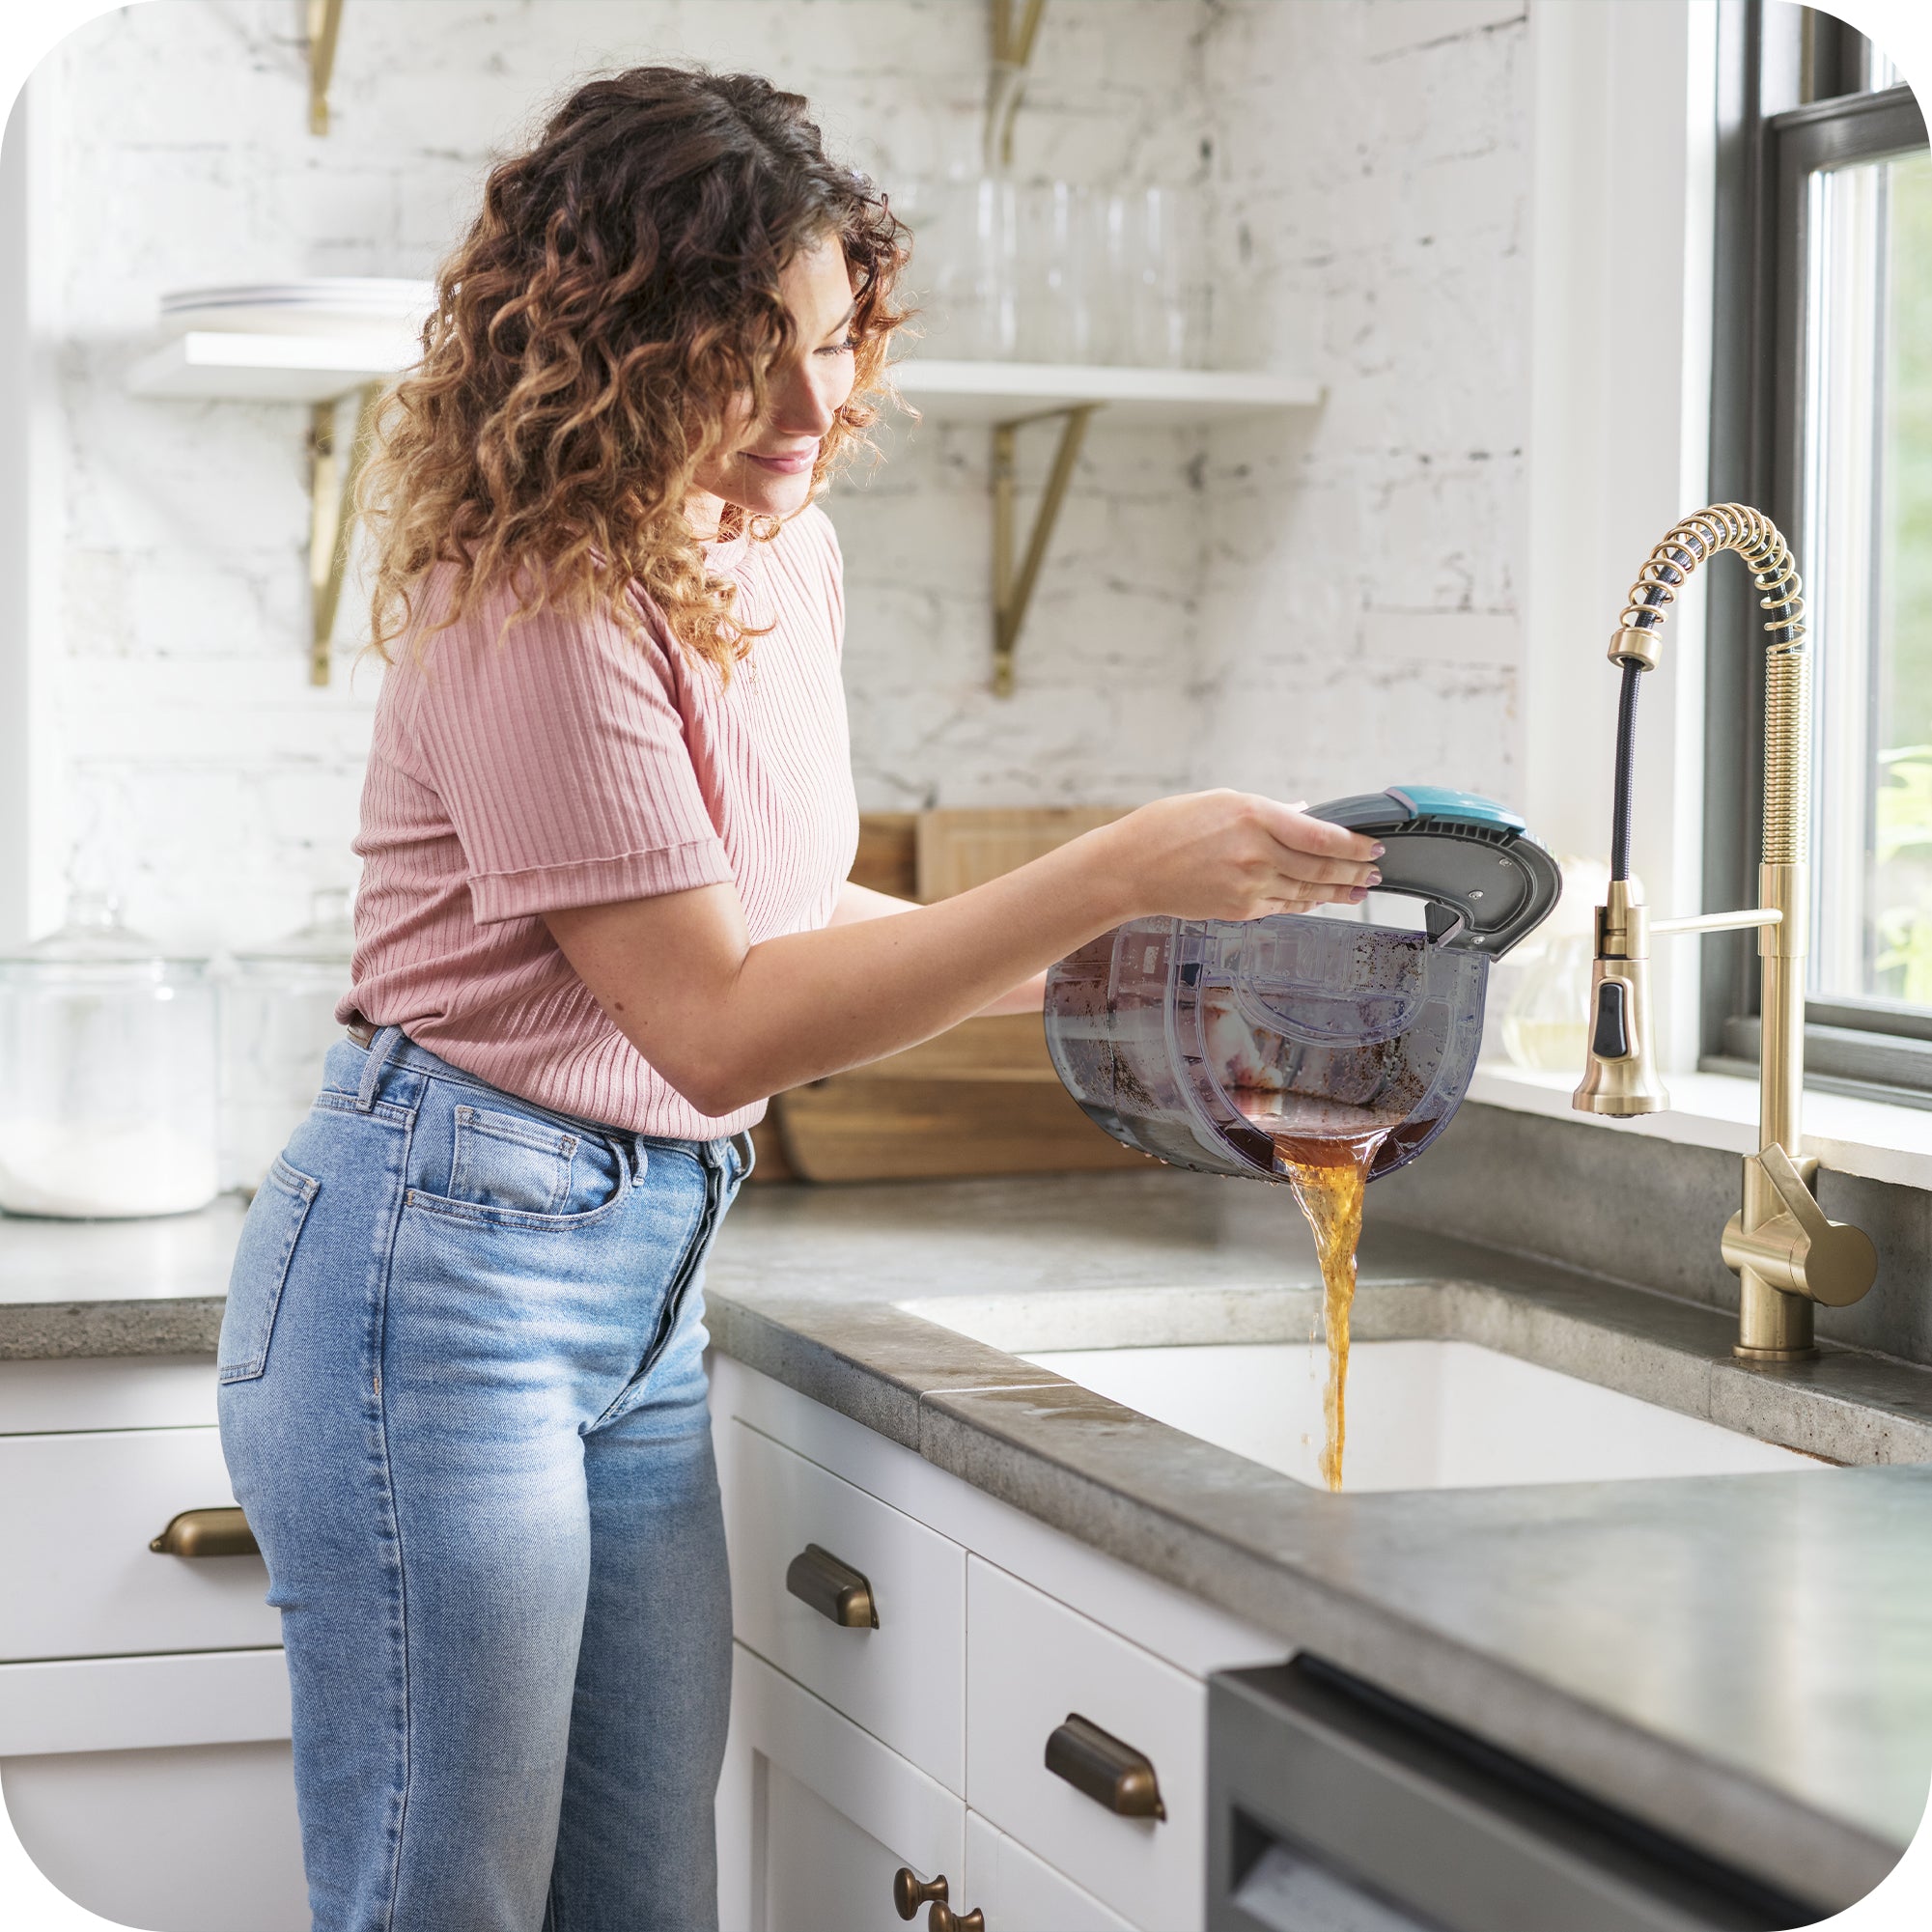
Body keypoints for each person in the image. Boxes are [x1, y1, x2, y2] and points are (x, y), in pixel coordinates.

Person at [216, 65, 1381, 1932]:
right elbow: (719, 1021)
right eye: (739, 352)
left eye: (834, 341)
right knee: (449, 1903)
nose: (810, 406)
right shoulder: (537, 593)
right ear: (605, 340)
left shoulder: (778, 551)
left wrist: (1149, 968)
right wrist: (1107, 864)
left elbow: (771, 912)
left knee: (648, 1897)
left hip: (646, 1287)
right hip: (432, 1285)